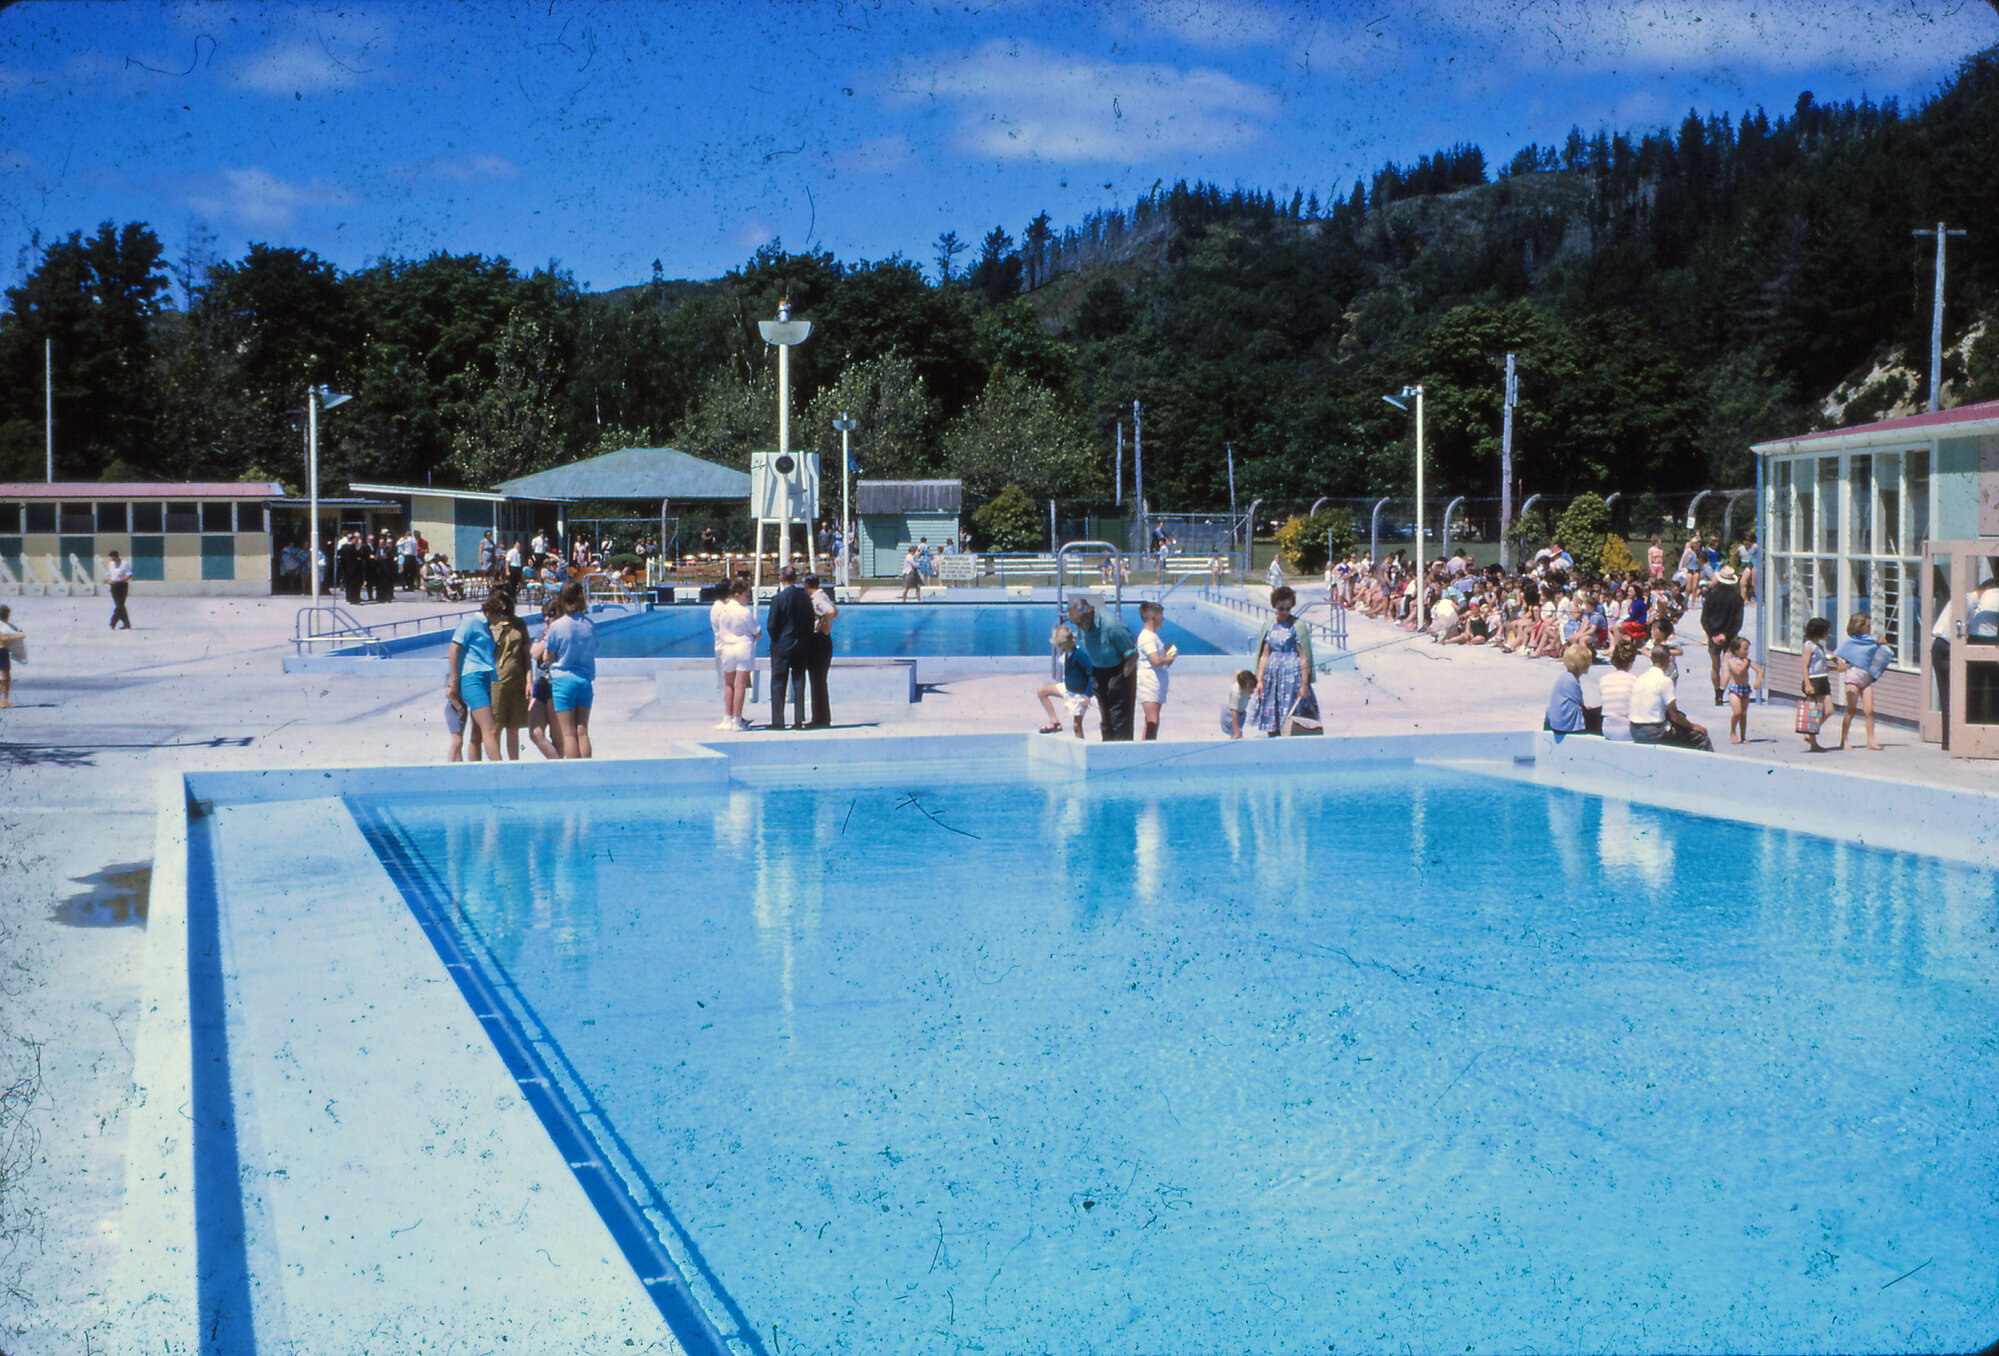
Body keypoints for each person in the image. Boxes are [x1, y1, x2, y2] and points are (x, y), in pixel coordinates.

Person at [446, 589, 512, 762]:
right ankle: (501, 771)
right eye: (501, 614)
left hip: (484, 679)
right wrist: (454, 681)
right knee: (491, 729)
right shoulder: (471, 622)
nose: (502, 618)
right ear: (492, 610)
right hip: (472, 679)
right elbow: (454, 649)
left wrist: (502, 639)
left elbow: (488, 656)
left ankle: (475, 772)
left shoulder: (486, 627)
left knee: (478, 733)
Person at [535, 580, 596, 758]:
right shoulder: (590, 625)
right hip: (584, 680)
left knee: (568, 733)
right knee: (582, 730)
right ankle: (587, 769)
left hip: (563, 681)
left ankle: (575, 773)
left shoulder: (557, 626)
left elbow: (548, 657)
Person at [1067, 592, 1137, 741]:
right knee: (1106, 720)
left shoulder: (1111, 626)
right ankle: (1107, 750)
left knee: (1119, 719)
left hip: (1119, 669)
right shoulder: (1082, 623)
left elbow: (1133, 653)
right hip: (1099, 669)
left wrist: (1122, 678)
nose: (1078, 627)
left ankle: (1121, 752)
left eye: (1080, 623)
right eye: (1076, 624)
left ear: (1089, 612)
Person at [1250, 586, 1317, 736]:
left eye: (1288, 608)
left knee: (1291, 719)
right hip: (1272, 679)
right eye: (1281, 609)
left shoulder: (1297, 626)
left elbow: (1303, 657)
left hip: (1291, 680)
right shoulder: (1269, 625)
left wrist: (1304, 684)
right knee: (1272, 718)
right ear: (1274, 606)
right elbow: (1264, 654)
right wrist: (1259, 680)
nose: (1285, 612)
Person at [1629, 644, 1712, 750]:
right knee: (1701, 737)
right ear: (1669, 659)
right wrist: (1693, 726)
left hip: (1635, 730)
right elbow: (1674, 715)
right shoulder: (1665, 681)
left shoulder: (1640, 678)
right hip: (1654, 732)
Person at [765, 565, 816, 730]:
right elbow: (810, 620)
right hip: (800, 644)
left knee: (778, 682)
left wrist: (777, 640)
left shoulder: (778, 599)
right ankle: (798, 720)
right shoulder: (804, 598)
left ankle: (778, 721)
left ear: (781, 578)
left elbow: (771, 625)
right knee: (799, 681)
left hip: (782, 645)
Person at [1834, 612, 1891, 751]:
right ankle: (1844, 740)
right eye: (1867, 626)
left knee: (1869, 711)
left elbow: (1882, 653)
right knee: (1851, 710)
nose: (1870, 628)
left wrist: (1883, 643)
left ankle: (1871, 741)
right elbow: (1835, 655)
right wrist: (1840, 663)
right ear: (1859, 626)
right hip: (1853, 677)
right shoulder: (1851, 641)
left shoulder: (1872, 640)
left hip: (1866, 678)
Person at [710, 577, 759, 731]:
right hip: (742, 648)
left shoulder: (722, 609)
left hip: (726, 648)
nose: (748, 599)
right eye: (746, 596)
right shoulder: (744, 611)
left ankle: (727, 718)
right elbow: (757, 632)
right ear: (737, 595)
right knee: (740, 686)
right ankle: (737, 721)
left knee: (728, 684)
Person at [489, 590, 533, 760]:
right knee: (496, 727)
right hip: (497, 681)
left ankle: (514, 763)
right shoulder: (490, 624)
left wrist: (529, 681)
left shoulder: (519, 623)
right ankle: (497, 764)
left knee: (513, 728)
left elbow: (526, 654)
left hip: (517, 679)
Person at [1035, 624, 1092, 737]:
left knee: (1077, 725)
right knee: (1042, 692)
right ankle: (1054, 722)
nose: (1061, 649)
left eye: (1063, 647)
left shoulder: (1080, 656)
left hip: (1078, 694)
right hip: (1067, 688)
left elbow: (1092, 674)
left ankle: (1080, 748)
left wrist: (1088, 695)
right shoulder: (1067, 654)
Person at [1700, 565, 1745, 706]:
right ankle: (1721, 693)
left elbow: (1704, 619)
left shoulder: (1711, 597)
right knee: (1727, 665)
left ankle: (1715, 693)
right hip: (1730, 636)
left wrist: (1712, 634)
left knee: (1715, 666)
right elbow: (1738, 622)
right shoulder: (1737, 599)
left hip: (1714, 635)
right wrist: (1726, 634)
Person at [1134, 600, 1177, 740]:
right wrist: (1168, 658)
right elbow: (1156, 660)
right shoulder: (1147, 637)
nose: (1163, 619)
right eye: (1161, 616)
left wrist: (1167, 658)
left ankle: (1148, 747)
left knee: (1152, 721)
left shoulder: (1153, 637)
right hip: (1149, 683)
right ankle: (1148, 748)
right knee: (1153, 721)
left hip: (1156, 682)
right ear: (1153, 617)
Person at [526, 598, 562, 758]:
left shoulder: (563, 633)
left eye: (551, 615)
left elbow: (549, 657)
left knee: (557, 735)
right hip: (541, 686)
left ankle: (558, 770)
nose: (547, 619)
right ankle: (557, 764)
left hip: (556, 686)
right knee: (535, 732)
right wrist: (548, 636)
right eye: (545, 615)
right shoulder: (542, 634)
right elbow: (534, 654)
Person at [803, 574, 838, 728]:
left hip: (818, 640)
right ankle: (821, 717)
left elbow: (830, 611)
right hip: (824, 641)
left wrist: (823, 623)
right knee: (819, 682)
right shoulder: (823, 594)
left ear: (806, 585)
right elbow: (835, 611)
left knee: (817, 681)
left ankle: (820, 719)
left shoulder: (816, 599)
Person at [1721, 636, 1763, 744]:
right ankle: (1733, 731)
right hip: (1734, 690)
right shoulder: (1732, 661)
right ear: (1736, 650)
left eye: (1748, 649)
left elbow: (1759, 670)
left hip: (1745, 689)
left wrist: (1758, 681)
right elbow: (1738, 672)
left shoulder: (1748, 661)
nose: (1747, 651)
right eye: (1745, 649)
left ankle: (1743, 736)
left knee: (1743, 714)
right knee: (1737, 712)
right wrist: (1745, 665)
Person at [1545, 643, 1593, 734]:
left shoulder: (1565, 677)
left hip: (1557, 721)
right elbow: (1580, 702)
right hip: (1566, 724)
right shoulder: (1571, 680)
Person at [1598, 638, 1639, 741]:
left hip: (1606, 727)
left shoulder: (1604, 679)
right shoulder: (1634, 680)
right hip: (1626, 728)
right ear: (1631, 662)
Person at [1220, 669, 1256, 738]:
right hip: (1230, 714)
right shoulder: (1236, 695)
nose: (1252, 692)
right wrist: (1236, 732)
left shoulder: (1241, 681)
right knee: (1235, 734)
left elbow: (1237, 671)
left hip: (1240, 712)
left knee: (1238, 732)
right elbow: (1234, 714)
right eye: (1250, 690)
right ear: (1242, 688)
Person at [105, 550, 132, 629]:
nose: (113, 560)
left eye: (114, 558)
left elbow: (129, 575)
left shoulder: (124, 564)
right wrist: (109, 580)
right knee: (119, 605)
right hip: (114, 586)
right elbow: (109, 574)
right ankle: (126, 624)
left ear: (117, 556)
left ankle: (113, 622)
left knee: (120, 604)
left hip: (122, 585)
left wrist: (120, 579)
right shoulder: (111, 564)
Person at [0, 605, 20, 707]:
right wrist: (19, 636)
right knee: (5, 676)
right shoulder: (3, 626)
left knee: (4, 676)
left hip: (3, 651)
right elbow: (3, 637)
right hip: (2, 651)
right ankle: (5, 700)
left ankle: (4, 700)